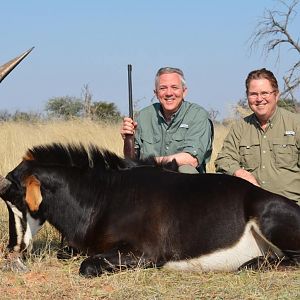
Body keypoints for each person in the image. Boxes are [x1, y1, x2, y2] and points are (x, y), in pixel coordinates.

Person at [215, 68, 300, 203]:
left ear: (276, 95)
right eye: (253, 94)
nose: (259, 99)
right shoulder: (240, 128)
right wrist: (240, 173)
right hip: (253, 208)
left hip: (292, 209)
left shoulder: (296, 124)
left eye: (264, 93)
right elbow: (223, 159)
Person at [120, 67, 213, 174]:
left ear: (184, 91)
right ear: (156, 93)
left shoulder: (198, 115)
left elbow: (191, 159)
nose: (169, 93)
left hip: (182, 183)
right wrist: (128, 138)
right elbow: (131, 161)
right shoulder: (143, 116)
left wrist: (150, 163)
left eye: (174, 87)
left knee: (186, 169)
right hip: (149, 179)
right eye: (163, 88)